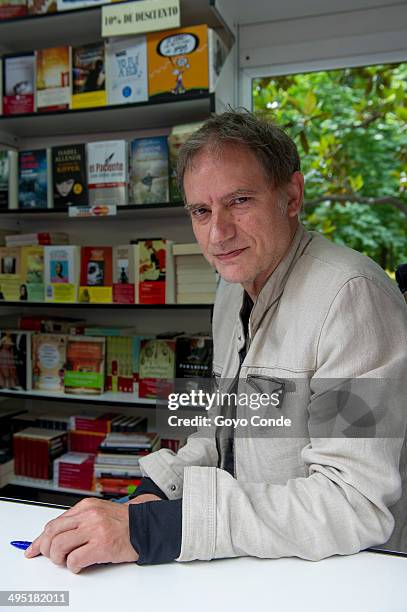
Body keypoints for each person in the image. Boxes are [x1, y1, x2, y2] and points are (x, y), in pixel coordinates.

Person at [25, 110, 407, 573]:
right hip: (256, 561)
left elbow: (354, 503)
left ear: (292, 196)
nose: (217, 233)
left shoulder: (350, 296)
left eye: (240, 201)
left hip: (340, 575)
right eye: (201, 211)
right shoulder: (231, 291)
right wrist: (154, 494)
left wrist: (157, 528)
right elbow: (217, 430)